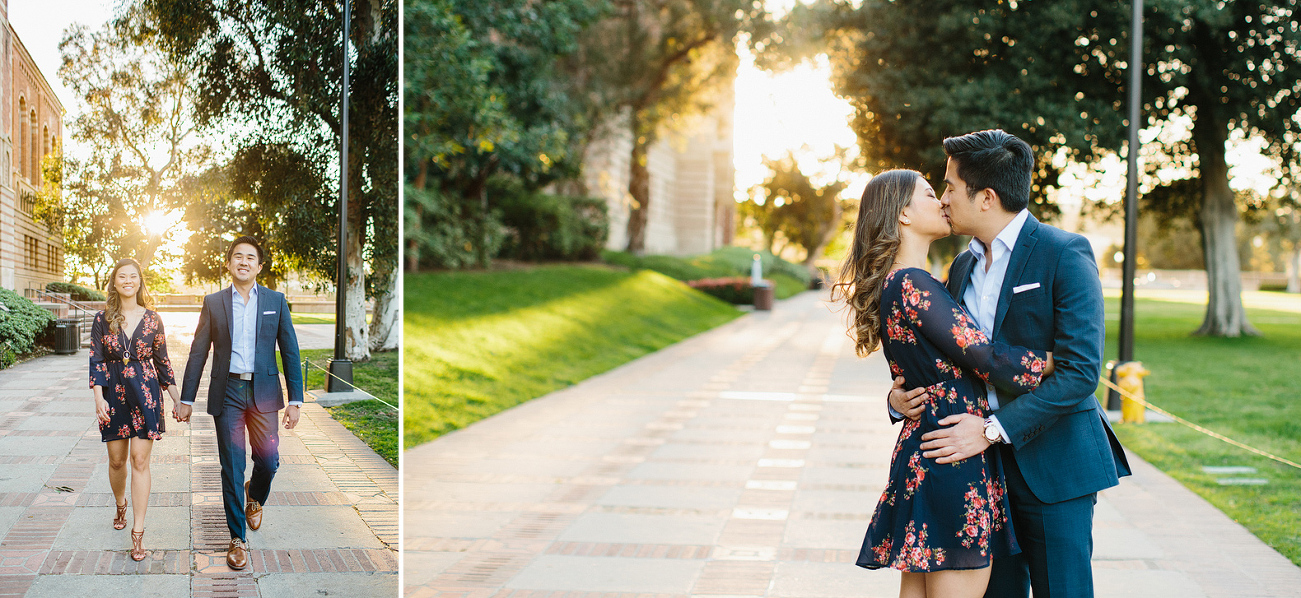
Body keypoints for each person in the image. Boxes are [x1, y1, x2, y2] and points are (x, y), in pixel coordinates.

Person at [890, 129, 1130, 598]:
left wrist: (992, 429)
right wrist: (899, 398)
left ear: (986, 197)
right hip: (981, 471)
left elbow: (1080, 373)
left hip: (1053, 465)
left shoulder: (1064, 253)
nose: (944, 199)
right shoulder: (959, 269)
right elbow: (950, 359)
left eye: (951, 187)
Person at [834, 169, 1057, 598]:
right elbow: (981, 355)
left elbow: (915, 373)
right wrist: (1054, 361)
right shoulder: (911, 282)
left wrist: (897, 401)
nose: (942, 202)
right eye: (931, 193)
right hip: (952, 456)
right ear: (902, 213)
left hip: (928, 449)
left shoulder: (906, 282)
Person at [175, 236, 303, 570]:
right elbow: (199, 350)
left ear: (259, 266)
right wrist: (186, 398)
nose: (243, 262)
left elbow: (290, 351)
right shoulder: (214, 302)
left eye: (250, 258)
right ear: (229, 264)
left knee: (269, 461)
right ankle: (236, 538)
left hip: (264, 395)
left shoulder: (276, 300)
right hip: (228, 393)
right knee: (231, 465)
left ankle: (255, 495)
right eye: (237, 257)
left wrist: (296, 400)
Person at [90, 258, 179, 562]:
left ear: (140, 281)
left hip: (146, 395)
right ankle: (120, 504)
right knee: (117, 462)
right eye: (121, 277)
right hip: (113, 396)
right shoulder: (102, 319)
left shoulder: (153, 320)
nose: (128, 281)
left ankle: (138, 534)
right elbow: (97, 360)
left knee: (140, 460)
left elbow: (163, 361)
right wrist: (98, 398)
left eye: (133, 276)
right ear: (114, 283)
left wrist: (178, 399)